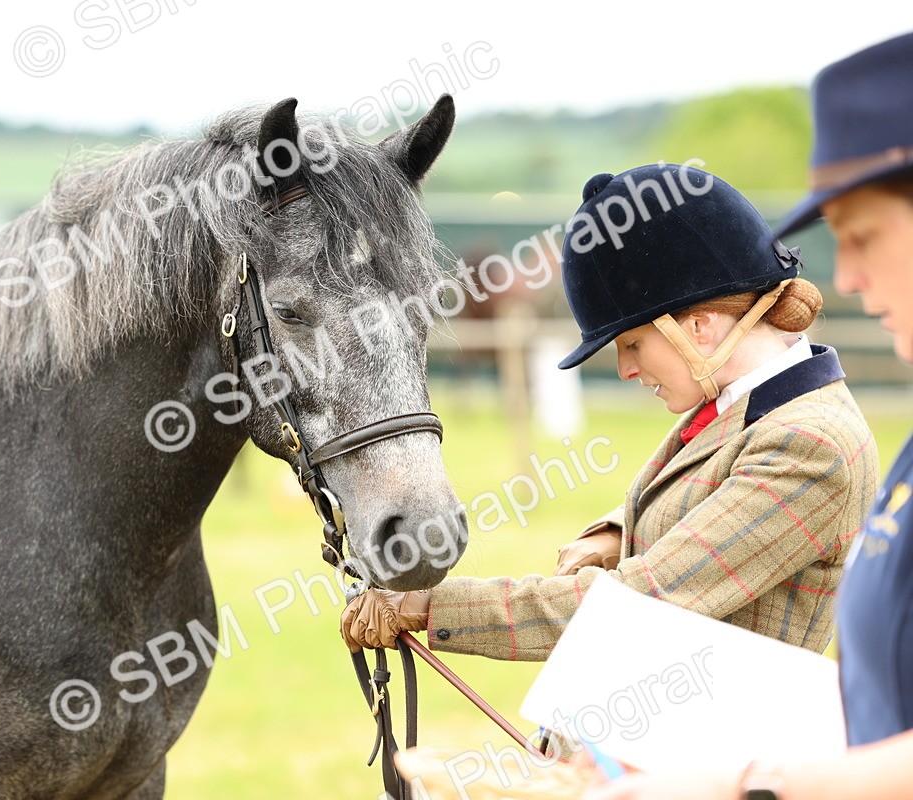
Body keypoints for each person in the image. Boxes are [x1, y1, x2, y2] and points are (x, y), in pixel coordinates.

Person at [340, 163, 878, 676]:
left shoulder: (810, 443)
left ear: (699, 327)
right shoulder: (748, 404)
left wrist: (431, 608)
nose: (624, 369)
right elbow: (711, 496)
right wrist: (616, 533)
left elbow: (648, 601)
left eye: (632, 343)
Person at [584, 31, 913, 800]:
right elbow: (877, 702)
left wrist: (745, 782)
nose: (852, 279)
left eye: (863, 238)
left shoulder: (816, 442)